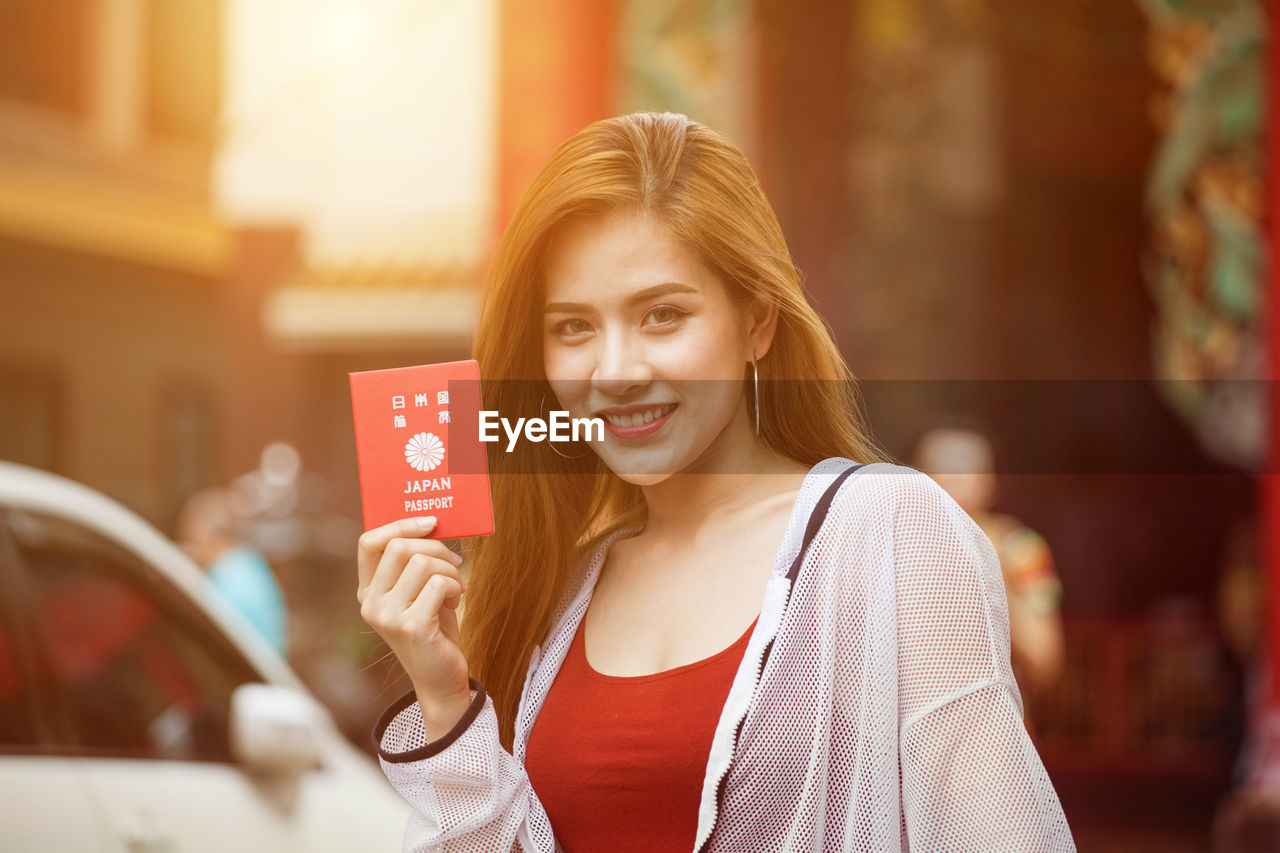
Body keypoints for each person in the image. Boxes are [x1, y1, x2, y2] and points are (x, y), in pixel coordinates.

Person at [356, 112, 1075, 851]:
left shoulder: (890, 530)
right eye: (573, 327)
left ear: (757, 321)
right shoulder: (562, 584)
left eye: (662, 316)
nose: (617, 372)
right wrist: (444, 697)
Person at [911, 422, 1066, 733]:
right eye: (941, 469)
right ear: (916, 479)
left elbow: (1045, 660)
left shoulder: (1020, 549)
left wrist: (989, 571)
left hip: (998, 730)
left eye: (966, 469)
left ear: (990, 482)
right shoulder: (902, 548)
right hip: (918, 730)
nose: (953, 480)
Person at [178, 486, 289, 657]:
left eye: (190, 534)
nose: (188, 542)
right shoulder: (250, 567)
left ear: (208, 533)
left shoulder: (228, 580)